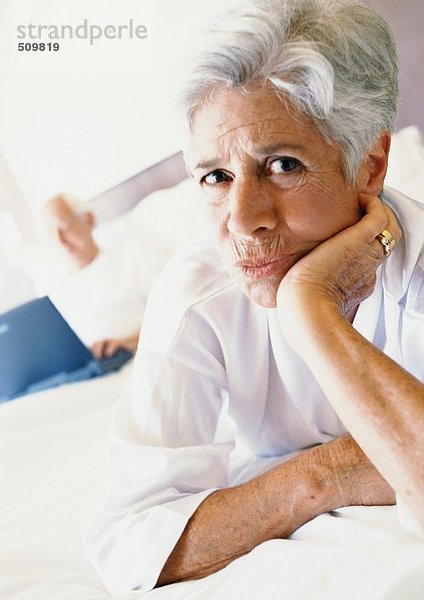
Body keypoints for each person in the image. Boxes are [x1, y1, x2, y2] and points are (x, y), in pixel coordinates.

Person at [85, 0, 424, 594]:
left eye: (283, 165)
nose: (242, 221)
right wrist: (329, 473)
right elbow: (130, 540)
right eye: (215, 177)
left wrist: (311, 311)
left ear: (370, 165)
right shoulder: (198, 290)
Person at [41, 194, 165, 358]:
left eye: (64, 226)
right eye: (50, 233)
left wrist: (131, 341)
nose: (60, 240)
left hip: (141, 353)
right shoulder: (52, 290)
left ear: (89, 219)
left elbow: (172, 308)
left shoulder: (134, 254)